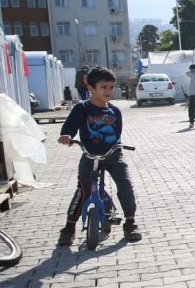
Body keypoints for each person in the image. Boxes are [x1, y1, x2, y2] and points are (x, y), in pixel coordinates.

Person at [56, 67, 142, 246]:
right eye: (104, 87)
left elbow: (117, 133)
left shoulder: (114, 110)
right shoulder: (83, 108)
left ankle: (130, 223)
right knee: (83, 189)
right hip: (90, 155)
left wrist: (114, 146)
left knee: (125, 184)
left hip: (113, 155)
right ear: (91, 89)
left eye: (111, 87)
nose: (108, 91)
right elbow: (70, 126)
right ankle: (69, 228)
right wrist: (67, 136)